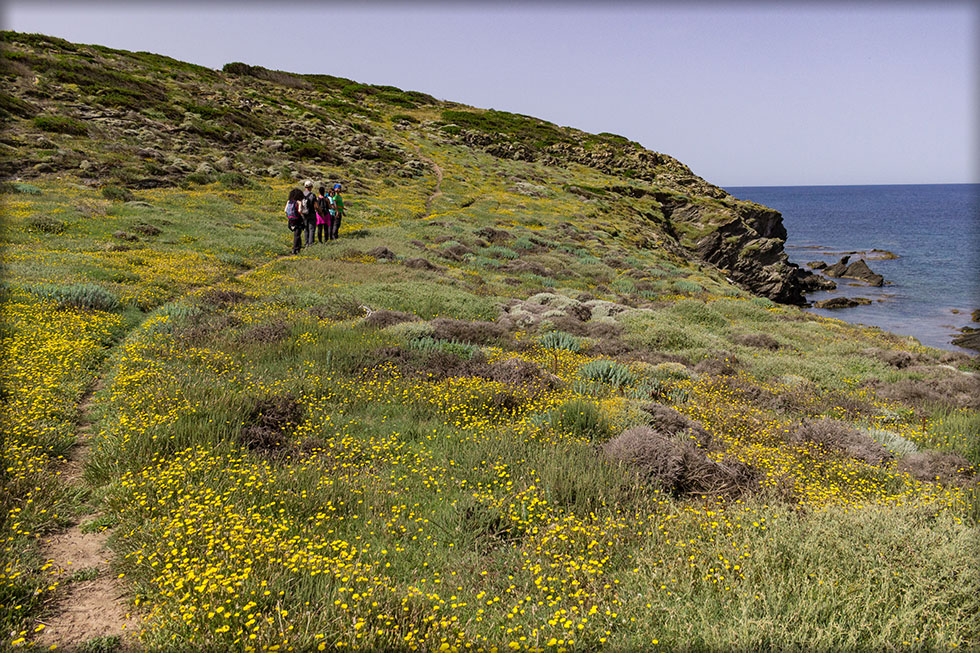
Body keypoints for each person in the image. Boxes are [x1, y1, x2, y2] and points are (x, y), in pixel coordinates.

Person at [284, 188, 304, 255]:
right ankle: (295, 249)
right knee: (297, 234)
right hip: (297, 220)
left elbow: (285, 210)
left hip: (290, 220)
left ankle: (299, 247)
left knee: (297, 234)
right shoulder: (298, 202)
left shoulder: (289, 201)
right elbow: (300, 211)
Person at [300, 180, 317, 247]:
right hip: (311, 213)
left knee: (305, 229)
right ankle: (311, 244)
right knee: (312, 229)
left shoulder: (301, 194)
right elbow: (316, 205)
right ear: (311, 187)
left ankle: (306, 243)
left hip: (303, 213)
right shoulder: (312, 195)